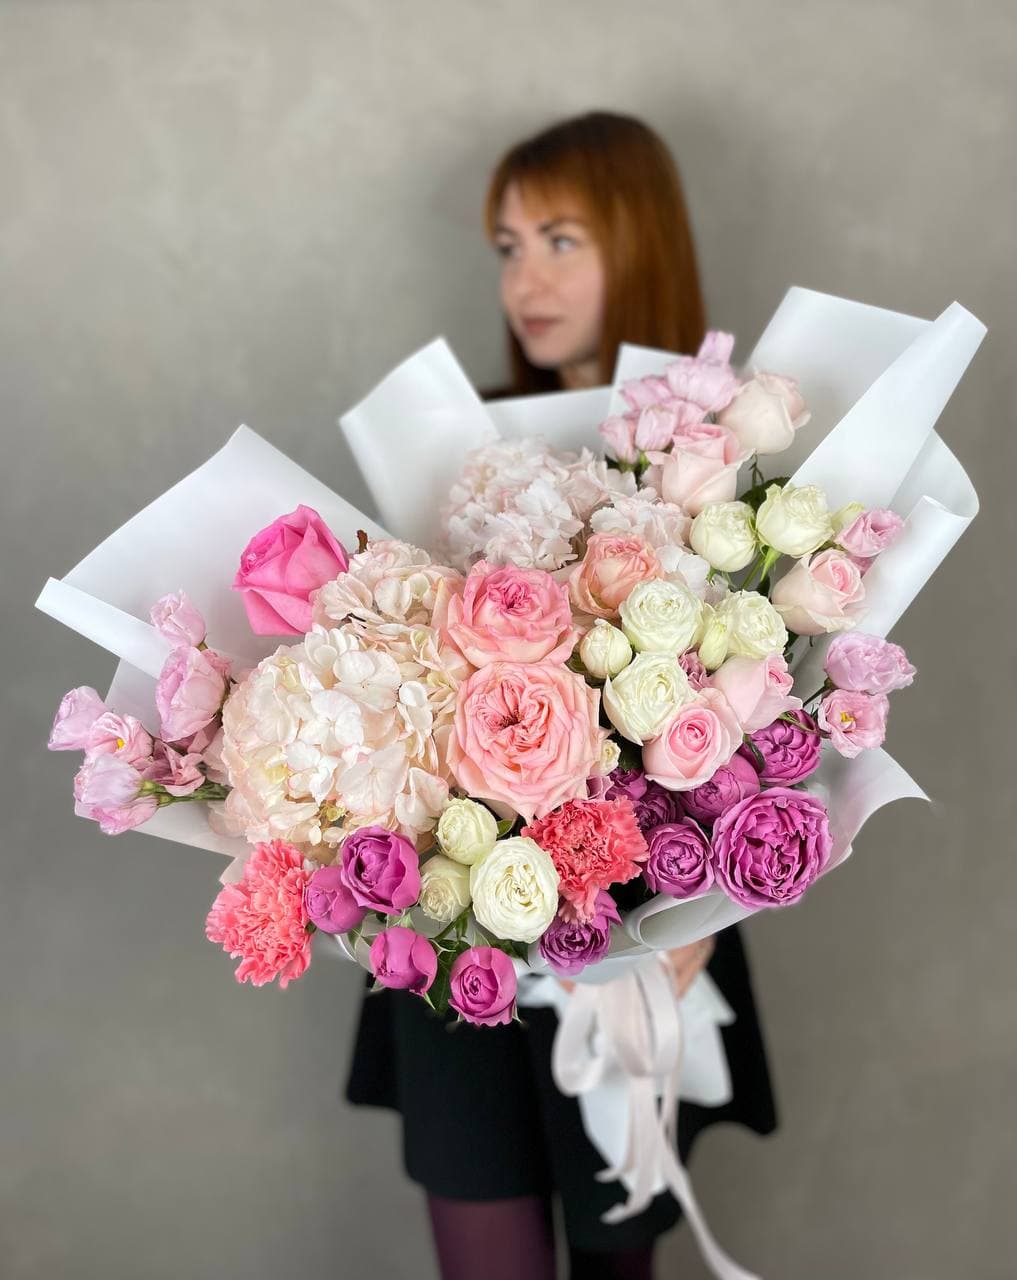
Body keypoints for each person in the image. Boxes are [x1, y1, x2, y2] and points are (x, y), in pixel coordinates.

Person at [345, 111, 777, 1280]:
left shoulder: (730, 474)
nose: (524, 279)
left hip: (645, 931)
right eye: (507, 246)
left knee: (616, 1251)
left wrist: (707, 906)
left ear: (640, 241)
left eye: (560, 239)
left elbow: (775, 717)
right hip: (459, 932)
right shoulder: (458, 458)